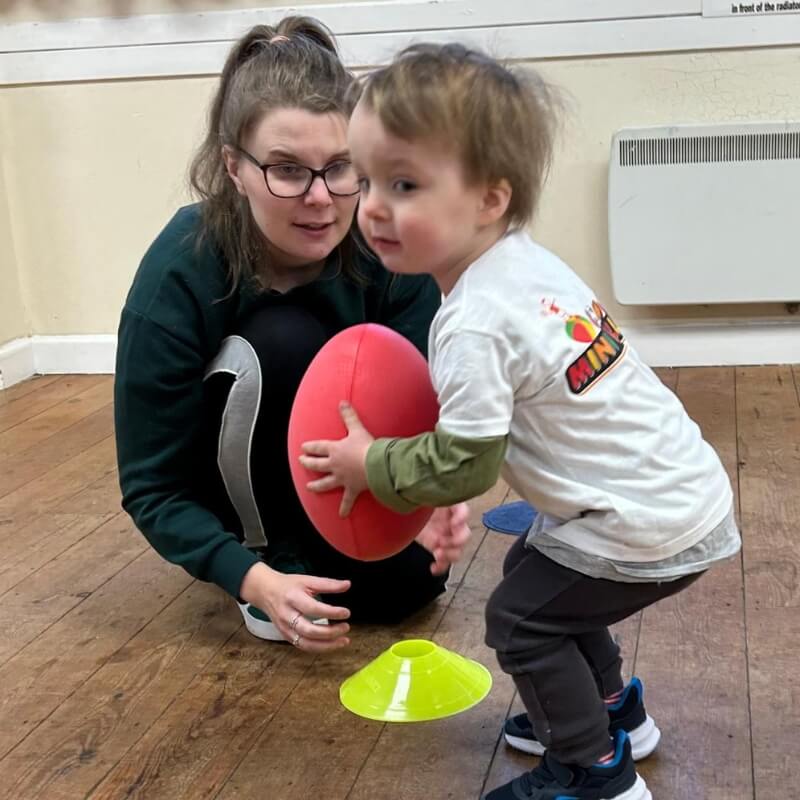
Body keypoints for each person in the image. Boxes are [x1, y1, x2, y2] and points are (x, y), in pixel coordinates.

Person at [299, 43, 742, 799]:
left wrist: (368, 464)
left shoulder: (472, 323)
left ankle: (593, 771)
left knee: (519, 619)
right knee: (538, 575)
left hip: (638, 523)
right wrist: (437, 501)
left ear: (490, 199)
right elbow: (485, 428)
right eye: (367, 178)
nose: (371, 205)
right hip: (674, 494)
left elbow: (468, 463)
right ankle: (610, 711)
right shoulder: (523, 263)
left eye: (403, 183)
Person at [114, 18, 471, 656]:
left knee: (406, 590)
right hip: (235, 496)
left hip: (353, 468)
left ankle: (323, 551)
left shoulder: (384, 240)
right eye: (286, 171)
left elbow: (429, 397)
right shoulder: (179, 271)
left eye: (340, 168)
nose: (320, 200)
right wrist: (251, 579)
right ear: (234, 167)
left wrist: (433, 493)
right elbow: (152, 487)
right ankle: (267, 550)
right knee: (281, 337)